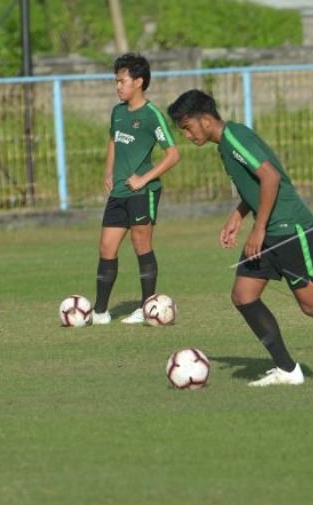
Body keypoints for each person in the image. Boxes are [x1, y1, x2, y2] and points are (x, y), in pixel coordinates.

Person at [167, 89, 313, 387]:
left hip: (290, 228)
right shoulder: (224, 145)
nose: (187, 135)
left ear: (206, 119)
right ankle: (287, 370)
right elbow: (253, 184)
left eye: (187, 128)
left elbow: (271, 177)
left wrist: (258, 228)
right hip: (269, 229)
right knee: (243, 296)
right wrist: (238, 216)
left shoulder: (236, 137)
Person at [92, 53, 180, 325]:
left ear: (139, 82)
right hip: (119, 192)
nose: (118, 86)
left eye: (122, 81)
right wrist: (108, 170)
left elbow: (173, 154)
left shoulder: (152, 115)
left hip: (144, 192)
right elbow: (113, 141)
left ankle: (147, 307)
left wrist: (143, 179)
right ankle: (100, 311)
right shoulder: (117, 112)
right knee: (106, 247)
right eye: (116, 81)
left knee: (141, 244)